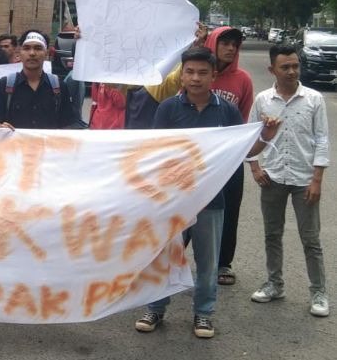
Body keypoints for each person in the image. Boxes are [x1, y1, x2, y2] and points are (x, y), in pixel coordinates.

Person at [133, 47, 277, 338]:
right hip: (173, 202)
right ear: (182, 75)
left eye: (202, 72)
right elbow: (157, 154)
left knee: (208, 262)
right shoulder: (168, 110)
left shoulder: (226, 111)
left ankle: (204, 314)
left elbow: (244, 150)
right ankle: (156, 309)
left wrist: (264, 138)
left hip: (211, 200)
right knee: (165, 257)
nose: (195, 78)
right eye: (190, 72)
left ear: (213, 76)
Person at [249, 45, 330, 317]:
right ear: (272, 70)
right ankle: (275, 283)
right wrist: (255, 168)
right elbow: (250, 136)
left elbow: (322, 140)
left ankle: (318, 291)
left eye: (296, 65)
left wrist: (317, 179)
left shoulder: (314, 99)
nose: (292, 71)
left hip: (303, 178)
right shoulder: (263, 100)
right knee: (272, 234)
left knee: (311, 238)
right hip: (272, 177)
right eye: (285, 67)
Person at [203, 27, 254, 286]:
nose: (231, 48)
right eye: (225, 42)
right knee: (189, 208)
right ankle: (174, 257)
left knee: (229, 209)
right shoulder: (198, 72)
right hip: (199, 157)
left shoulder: (243, 79)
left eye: (235, 44)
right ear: (213, 42)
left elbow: (243, 118)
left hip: (230, 157)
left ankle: (224, 262)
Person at [0, 30, 78, 130]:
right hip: (14, 145)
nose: (32, 53)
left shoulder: (59, 87)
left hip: (48, 145)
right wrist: (1, 129)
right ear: (20, 53)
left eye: (38, 48)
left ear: (46, 53)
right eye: (27, 48)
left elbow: (66, 125)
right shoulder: (3, 85)